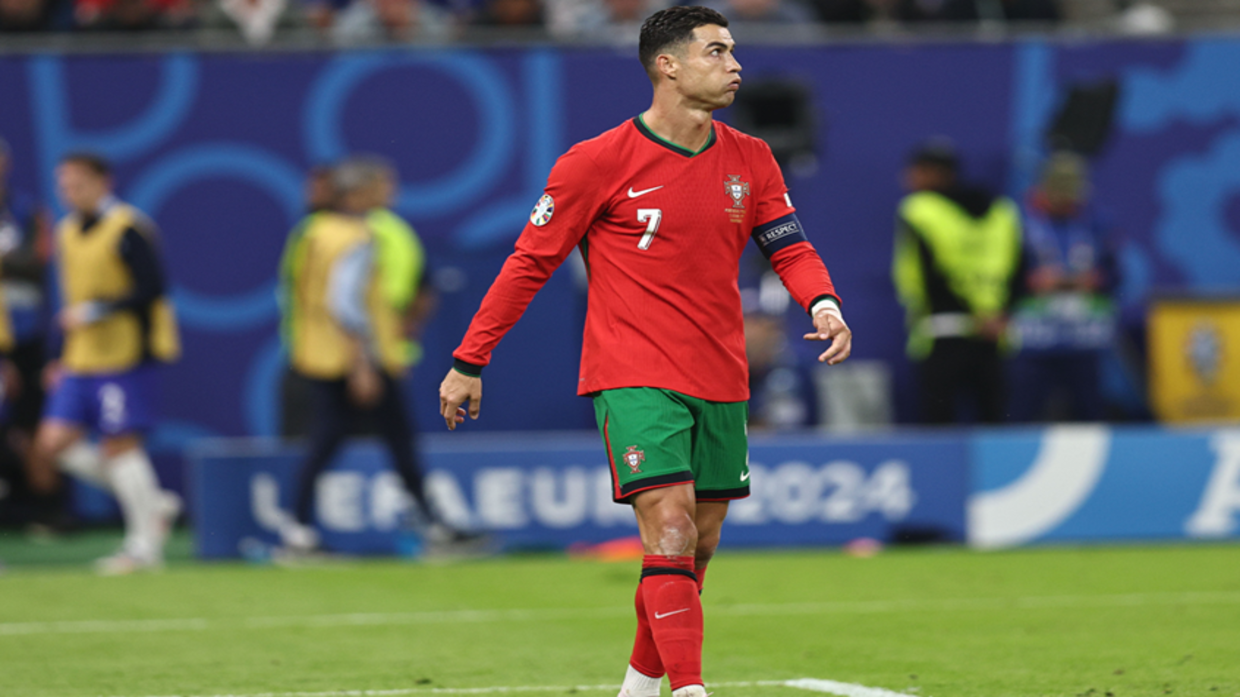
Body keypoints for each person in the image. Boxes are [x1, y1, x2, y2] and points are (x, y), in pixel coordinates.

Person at [439, 7, 851, 697]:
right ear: (668, 65)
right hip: (632, 370)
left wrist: (823, 302)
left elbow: (789, 246)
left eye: (733, 51)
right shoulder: (596, 161)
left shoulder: (751, 157)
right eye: (716, 52)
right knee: (670, 525)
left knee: (699, 541)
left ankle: (637, 687)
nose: (735, 65)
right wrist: (469, 359)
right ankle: (689, 689)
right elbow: (529, 263)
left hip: (720, 371)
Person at [279, 158, 471, 553]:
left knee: (332, 441)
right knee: (391, 440)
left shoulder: (314, 233)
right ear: (355, 195)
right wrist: (362, 363)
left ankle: (298, 529)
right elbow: (346, 305)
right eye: (378, 188)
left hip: (320, 355)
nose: (388, 194)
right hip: (359, 359)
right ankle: (432, 528)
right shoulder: (357, 237)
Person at [29, 152, 183, 574]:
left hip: (124, 355)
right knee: (52, 444)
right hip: (81, 357)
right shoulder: (65, 231)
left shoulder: (128, 227)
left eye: (78, 184)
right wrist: (59, 355)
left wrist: (98, 312)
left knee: (120, 445)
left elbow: (152, 287)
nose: (70, 193)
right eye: (64, 185)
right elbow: (72, 300)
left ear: (103, 182)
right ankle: (153, 503)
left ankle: (143, 547)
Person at [891, 139, 1022, 424]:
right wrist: (999, 314)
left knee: (939, 426)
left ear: (938, 173)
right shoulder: (1002, 211)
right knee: (994, 422)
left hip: (941, 331)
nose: (909, 177)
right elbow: (1019, 268)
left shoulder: (919, 210)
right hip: (993, 333)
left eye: (917, 170)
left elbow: (929, 273)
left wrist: (970, 312)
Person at [1008, 151, 1118, 422]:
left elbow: (1114, 275)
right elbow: (1001, 277)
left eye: (1073, 195)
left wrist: (1097, 279)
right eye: (1063, 195)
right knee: (1021, 414)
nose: (1070, 202)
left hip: (1082, 337)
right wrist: (1030, 281)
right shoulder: (1016, 222)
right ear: (1045, 189)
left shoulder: (1095, 221)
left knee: (1089, 414)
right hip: (1032, 339)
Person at [0, 137, 52, 465]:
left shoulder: (28, 211)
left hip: (27, 332)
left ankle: (41, 496)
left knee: (34, 425)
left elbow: (37, 262)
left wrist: (7, 261)